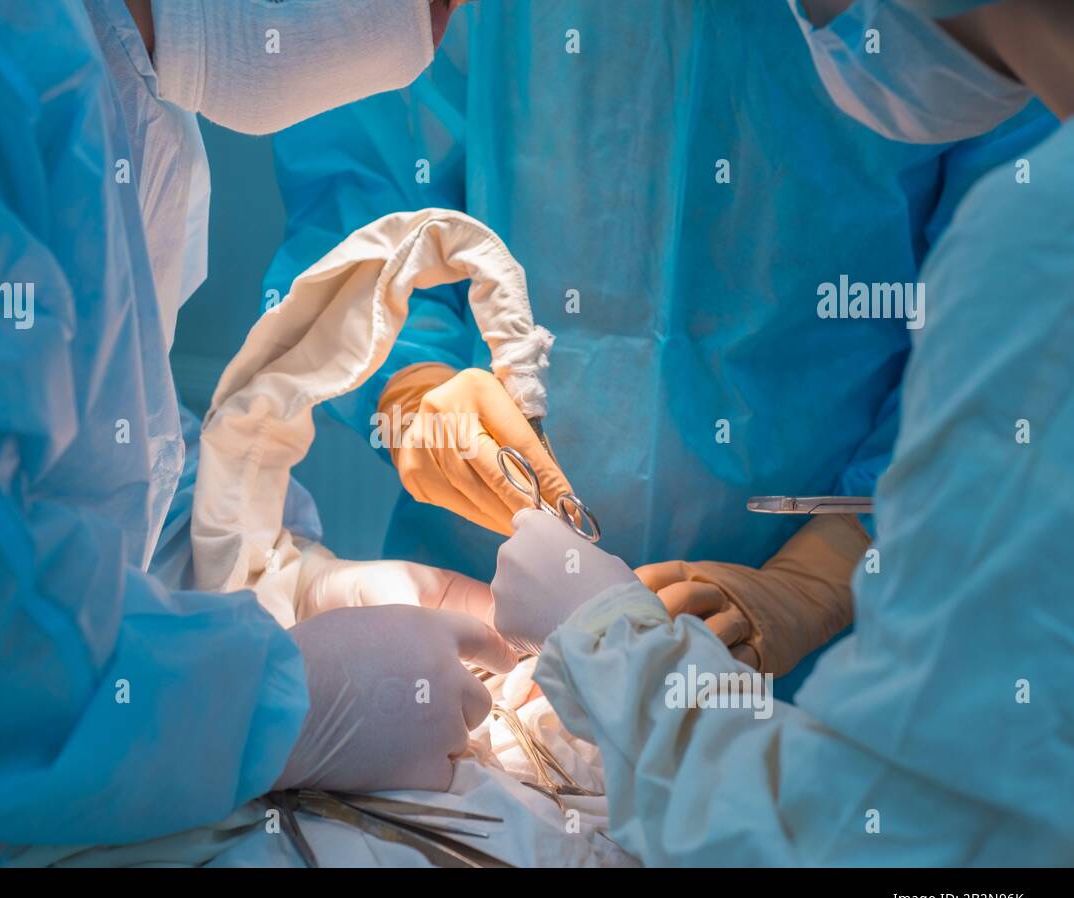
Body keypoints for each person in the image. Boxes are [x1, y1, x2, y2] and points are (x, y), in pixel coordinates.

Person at [0, 0, 504, 868]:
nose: (434, 22)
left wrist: (266, 570)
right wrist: (285, 707)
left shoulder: (95, 70)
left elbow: (85, 455)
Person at [264, 1, 1055, 684]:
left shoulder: (979, 45)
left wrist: (844, 557)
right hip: (481, 605)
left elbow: (1022, 310)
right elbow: (366, 166)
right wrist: (411, 379)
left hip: (852, 637)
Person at [490, 0, 1074, 865]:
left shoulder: (1040, 250)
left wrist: (616, 656)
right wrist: (407, 377)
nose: (813, 24)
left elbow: (918, 871)